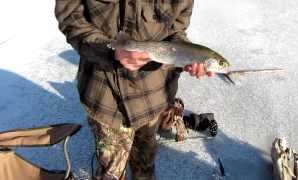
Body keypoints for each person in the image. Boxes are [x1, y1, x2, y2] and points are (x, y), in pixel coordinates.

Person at [55, 0, 213, 179]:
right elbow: (70, 18)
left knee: (145, 165)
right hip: (106, 97)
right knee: (110, 172)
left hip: (153, 97)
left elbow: (176, 30)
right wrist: (111, 51)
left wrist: (187, 54)